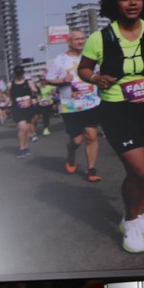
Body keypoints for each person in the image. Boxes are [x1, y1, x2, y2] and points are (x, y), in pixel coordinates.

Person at [79, 0, 144, 252]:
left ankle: (140, 214)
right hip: (117, 110)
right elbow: (83, 69)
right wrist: (95, 78)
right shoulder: (100, 38)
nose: (132, 3)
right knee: (140, 170)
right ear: (115, 4)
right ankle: (130, 222)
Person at [45, 28, 102, 182]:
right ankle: (71, 151)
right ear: (69, 42)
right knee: (77, 140)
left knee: (91, 135)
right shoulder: (60, 60)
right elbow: (48, 79)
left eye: (83, 38)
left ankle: (91, 169)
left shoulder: (92, 57)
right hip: (70, 105)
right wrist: (63, 80)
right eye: (77, 39)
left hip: (91, 102)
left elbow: (98, 74)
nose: (81, 41)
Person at [8, 67, 38, 160]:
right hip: (18, 109)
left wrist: (34, 91)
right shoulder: (11, 84)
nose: (19, 75)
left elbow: (35, 90)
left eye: (20, 74)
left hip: (28, 108)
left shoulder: (28, 82)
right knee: (22, 128)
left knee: (27, 129)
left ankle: (26, 147)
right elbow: (9, 96)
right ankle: (21, 148)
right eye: (17, 74)